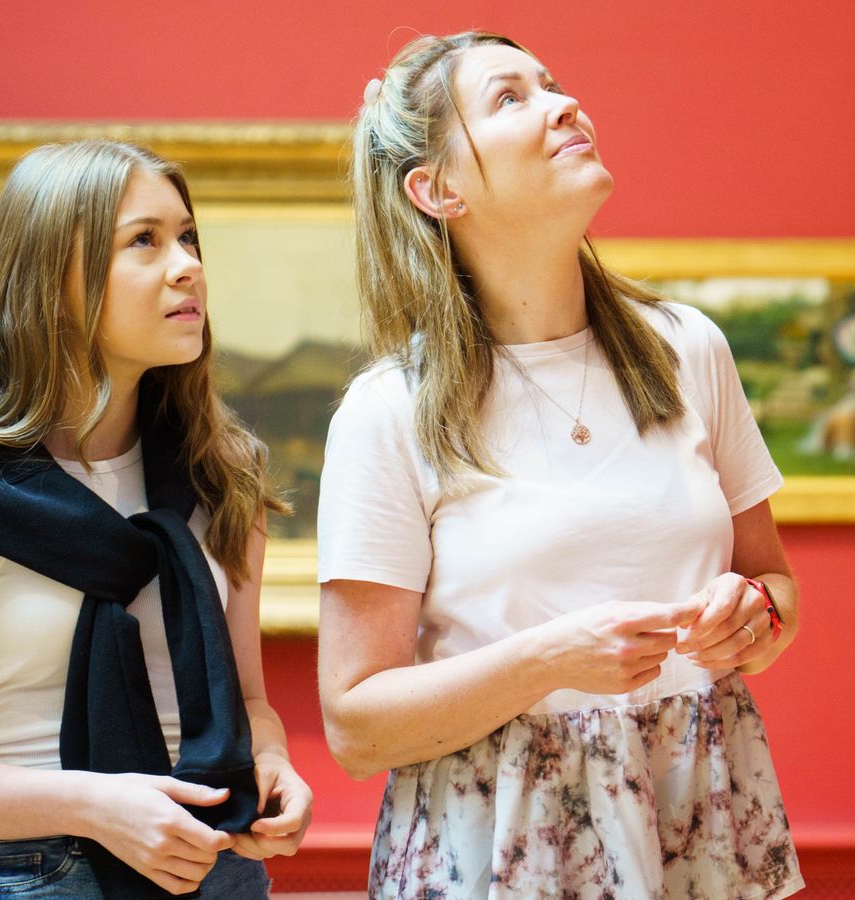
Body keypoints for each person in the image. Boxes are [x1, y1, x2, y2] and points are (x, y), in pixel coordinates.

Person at [319, 31, 804, 899]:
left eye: (552, 85)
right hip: (497, 846)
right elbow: (356, 727)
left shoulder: (688, 348)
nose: (564, 104)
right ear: (437, 190)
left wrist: (756, 617)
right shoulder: (388, 409)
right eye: (510, 98)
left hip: (700, 819)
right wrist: (548, 659)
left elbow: (773, 584)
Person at [0, 140, 312, 898]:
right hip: (39, 871)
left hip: (215, 865)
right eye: (143, 241)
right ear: (53, 279)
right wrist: (97, 806)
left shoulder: (221, 471)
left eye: (187, 237)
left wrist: (272, 765)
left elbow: (247, 700)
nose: (187, 264)